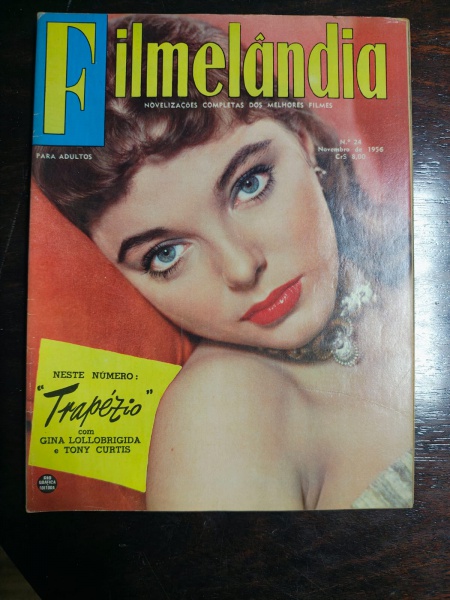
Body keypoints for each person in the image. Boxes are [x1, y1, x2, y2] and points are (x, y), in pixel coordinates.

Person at [33, 14, 413, 510]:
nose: (240, 268)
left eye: (250, 184)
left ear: (303, 141)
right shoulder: (220, 413)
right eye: (165, 254)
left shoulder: (416, 276)